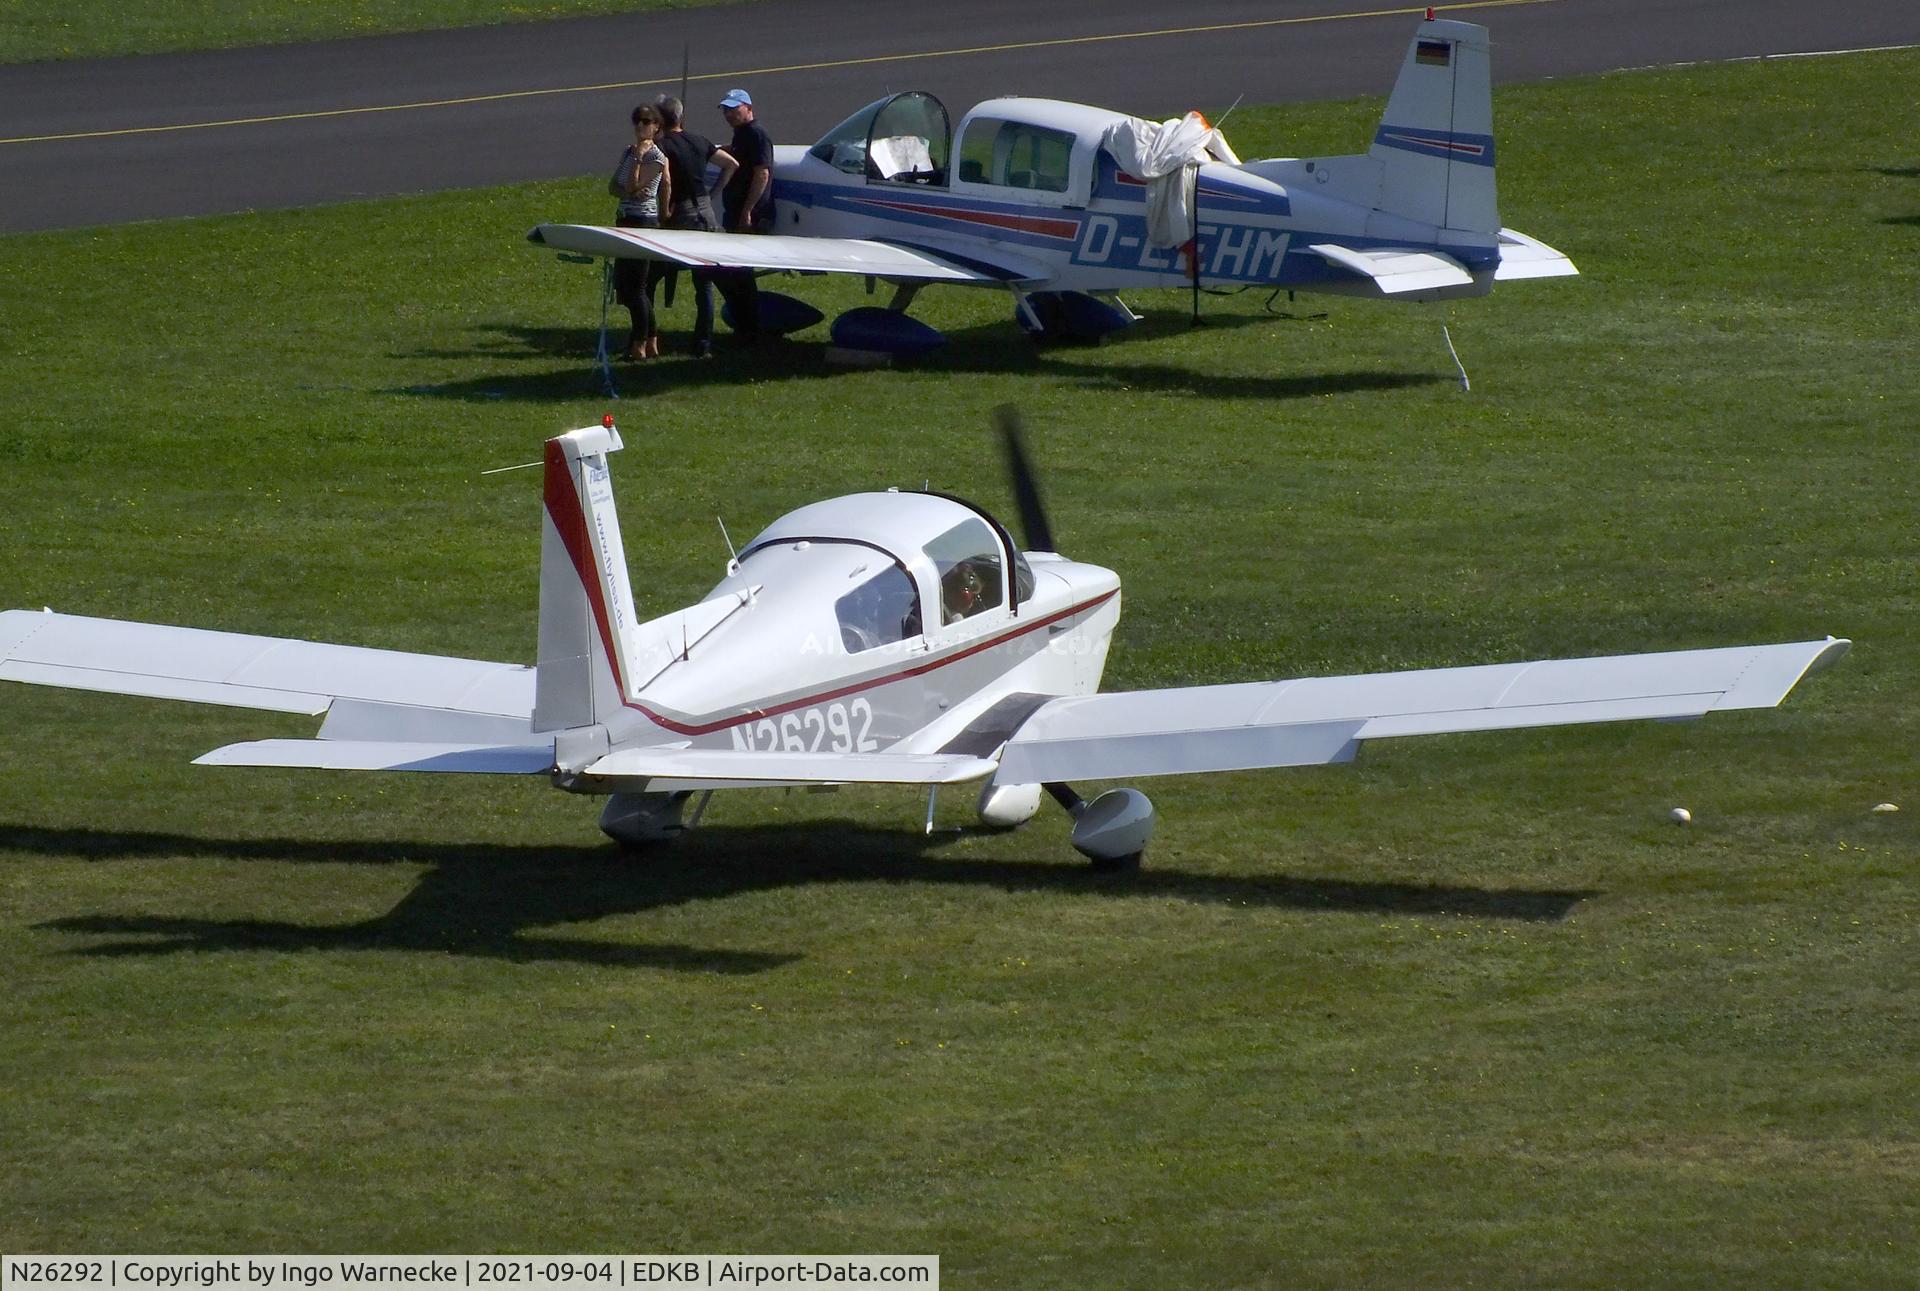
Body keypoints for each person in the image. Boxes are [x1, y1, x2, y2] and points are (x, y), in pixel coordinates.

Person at [653, 95, 738, 357]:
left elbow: (665, 183)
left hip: (682, 213)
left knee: (652, 273)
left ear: (660, 120)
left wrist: (664, 214)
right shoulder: (700, 141)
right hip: (706, 212)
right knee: (705, 284)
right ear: (680, 117)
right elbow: (731, 164)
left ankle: (647, 334)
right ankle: (703, 343)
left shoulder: (662, 146)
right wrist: (713, 193)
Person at [608, 104, 669, 360]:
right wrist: (628, 187)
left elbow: (634, 185)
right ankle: (649, 339)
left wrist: (639, 158)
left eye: (646, 122)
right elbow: (614, 187)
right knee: (624, 285)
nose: (640, 126)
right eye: (637, 122)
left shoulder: (655, 157)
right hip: (625, 219)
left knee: (637, 288)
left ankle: (640, 343)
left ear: (656, 127)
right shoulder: (628, 152)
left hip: (642, 221)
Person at [718, 88, 775, 233]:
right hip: (735, 210)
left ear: (748, 108)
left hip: (752, 215)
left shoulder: (756, 134)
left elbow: (762, 174)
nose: (728, 114)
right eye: (725, 110)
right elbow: (739, 151)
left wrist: (747, 210)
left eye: (733, 109)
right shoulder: (741, 132)